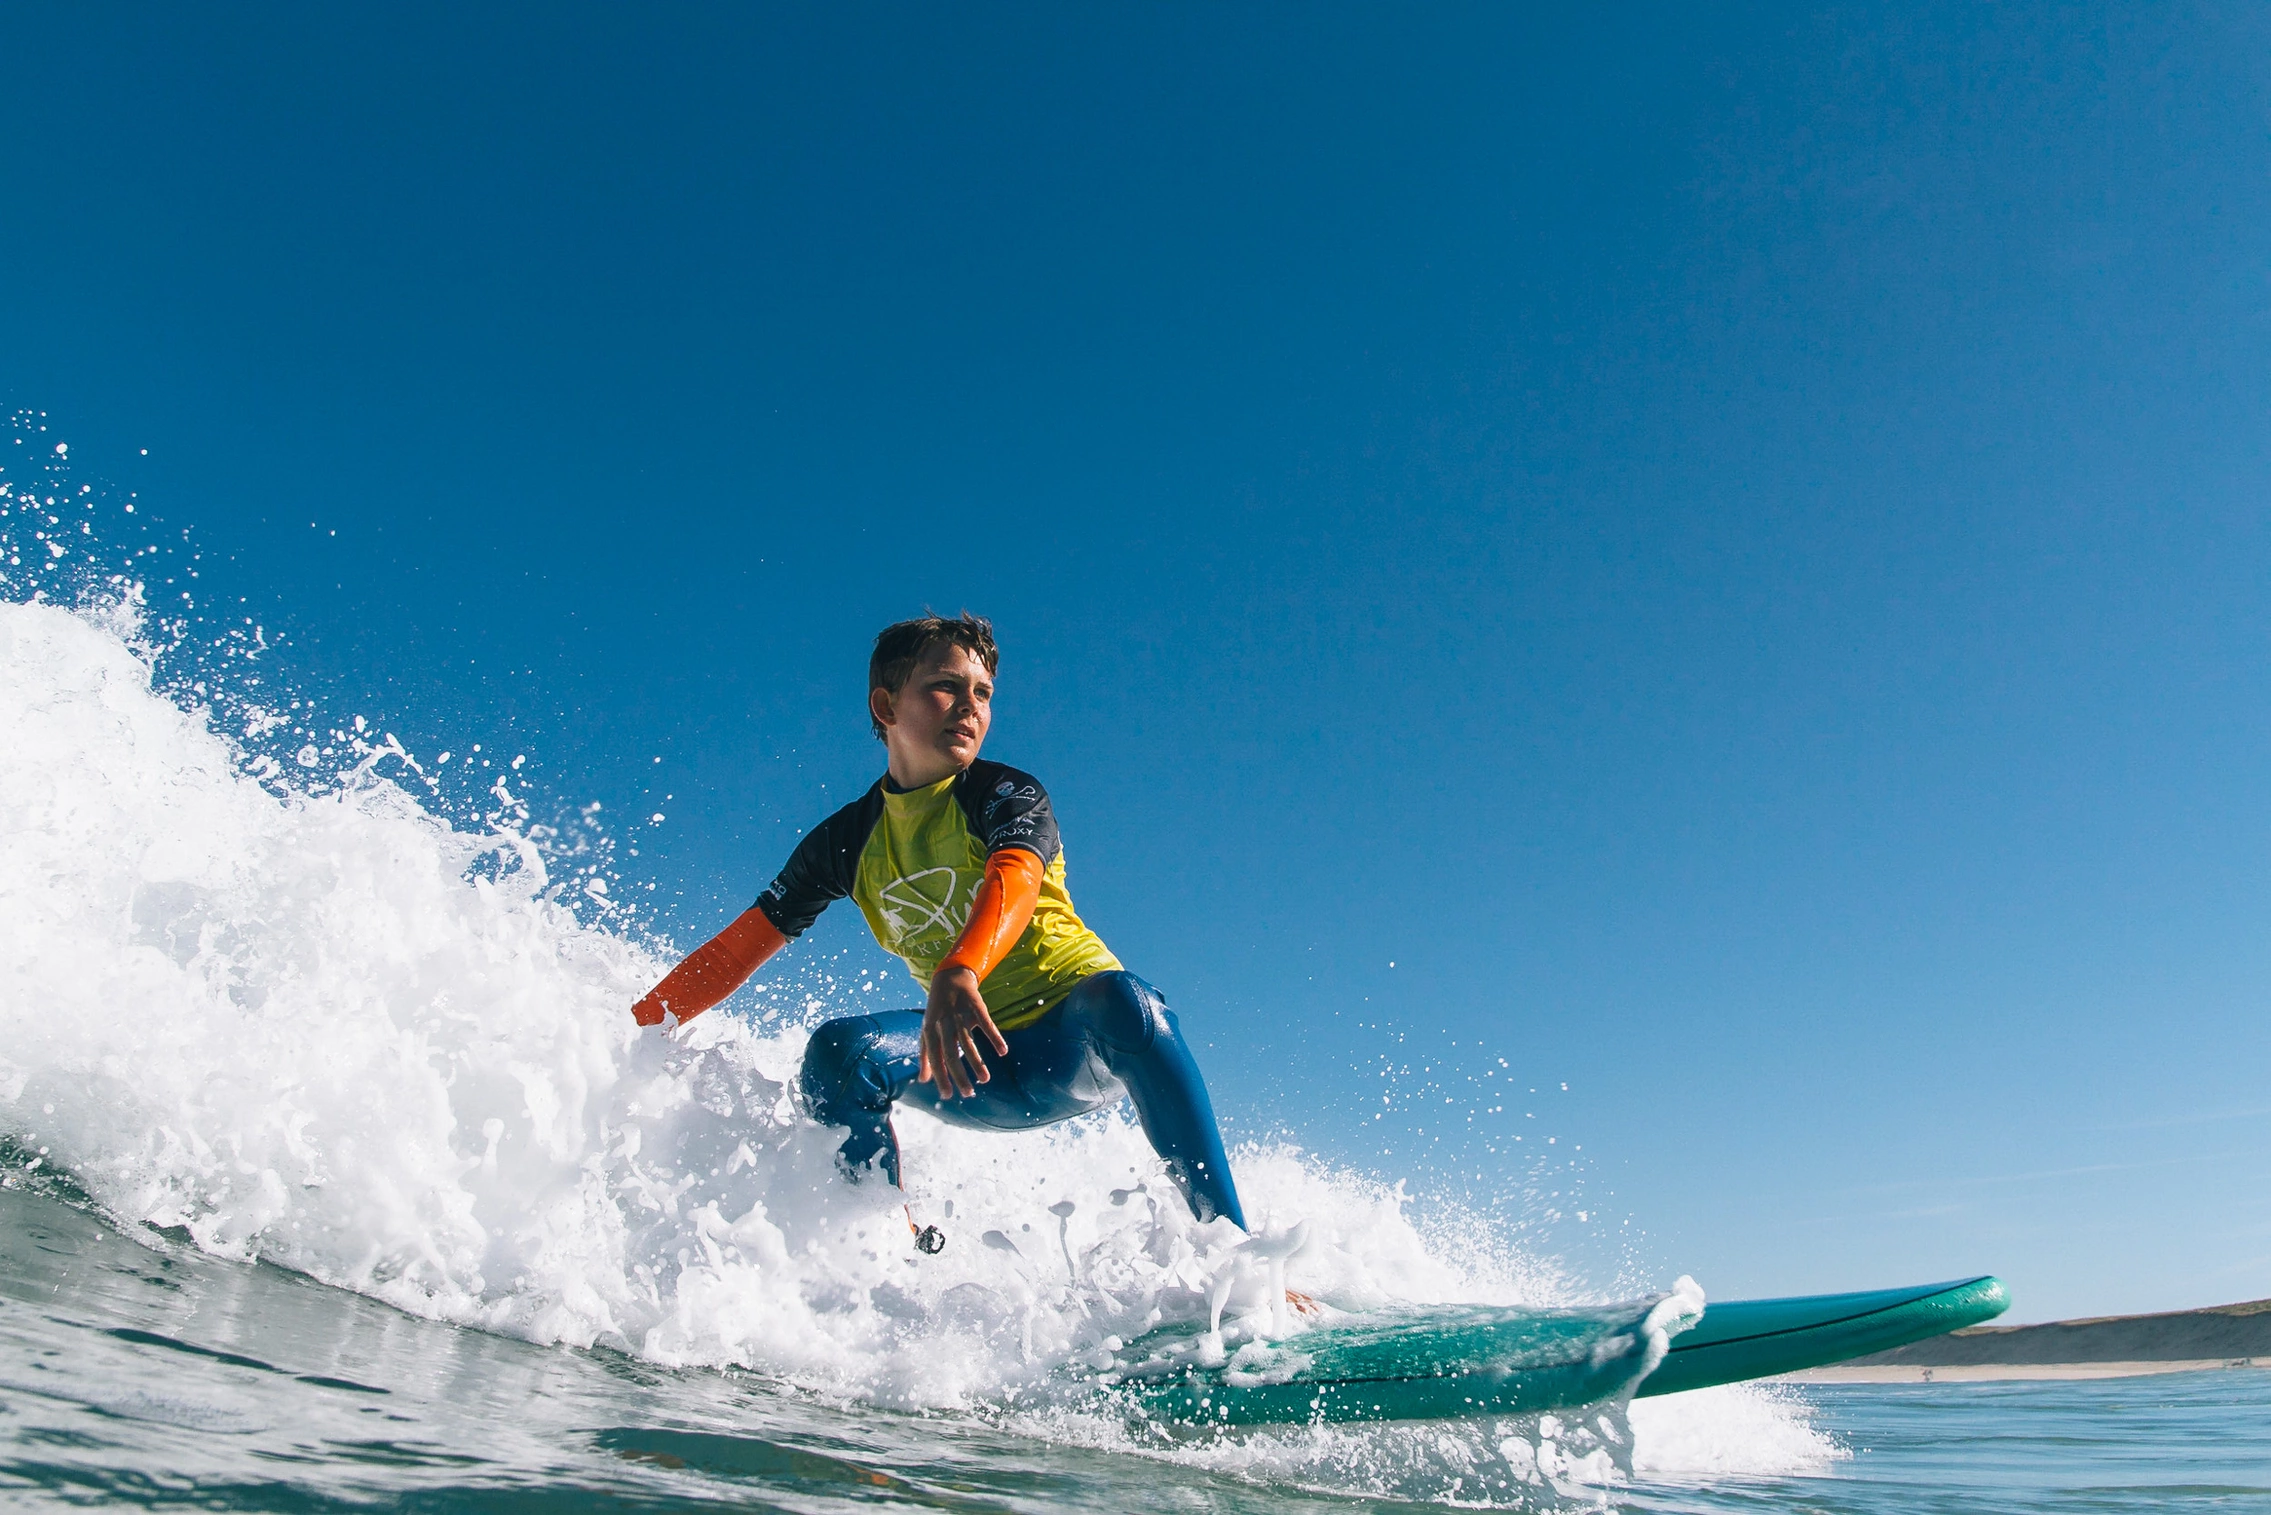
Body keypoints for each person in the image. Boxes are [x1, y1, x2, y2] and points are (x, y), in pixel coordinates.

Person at [631, 613, 1246, 1237]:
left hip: (1081, 1043)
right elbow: (731, 956)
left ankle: (1233, 1251)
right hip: (975, 1064)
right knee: (842, 1054)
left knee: (1127, 1000)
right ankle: (885, 1248)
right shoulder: (846, 842)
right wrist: (634, 1036)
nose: (970, 707)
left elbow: (1015, 876)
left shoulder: (1006, 793)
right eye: (946, 686)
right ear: (886, 703)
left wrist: (961, 966)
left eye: (983, 694)